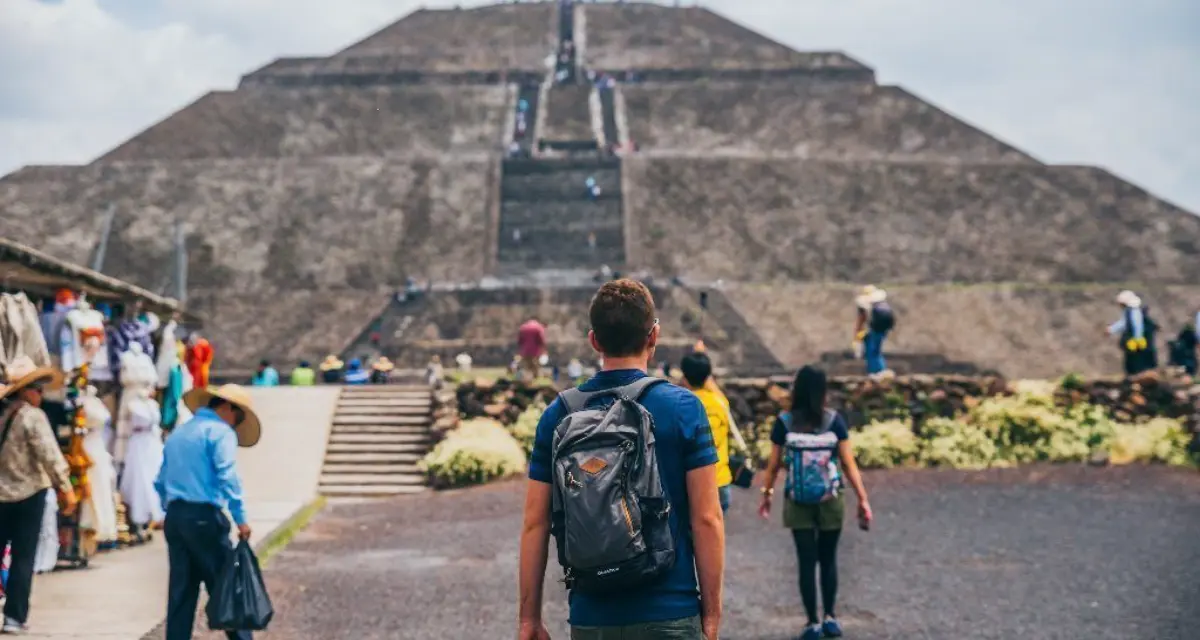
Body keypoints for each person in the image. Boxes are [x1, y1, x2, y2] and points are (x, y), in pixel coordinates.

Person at [518, 279, 725, 640]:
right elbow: (707, 518)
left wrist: (528, 619)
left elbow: (535, 523)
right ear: (654, 335)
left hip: (591, 615)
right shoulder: (683, 408)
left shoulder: (559, 414)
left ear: (594, 341)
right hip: (670, 612)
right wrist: (711, 612)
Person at [758, 366, 873, 640]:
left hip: (797, 502)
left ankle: (811, 623)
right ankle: (830, 617)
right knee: (829, 559)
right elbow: (847, 463)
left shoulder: (784, 423)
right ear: (823, 391)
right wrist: (862, 498)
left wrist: (767, 495)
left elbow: (773, 466)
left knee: (806, 562)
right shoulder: (834, 421)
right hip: (830, 499)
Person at [156, 384, 261, 640]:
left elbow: (160, 480)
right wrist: (241, 518)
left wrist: (170, 510)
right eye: (237, 417)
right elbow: (227, 475)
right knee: (225, 586)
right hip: (204, 517)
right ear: (226, 408)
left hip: (176, 517)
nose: (236, 424)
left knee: (181, 593)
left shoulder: (180, 433)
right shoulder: (220, 432)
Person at [0, 357, 77, 634]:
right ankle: (14, 616)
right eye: (37, 389)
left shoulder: (3, 414)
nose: (40, 394)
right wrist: (65, 486)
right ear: (26, 390)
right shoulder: (32, 417)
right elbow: (49, 455)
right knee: (23, 556)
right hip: (28, 494)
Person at [679, 351, 733, 512]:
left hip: (693, 484)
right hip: (720, 480)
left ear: (685, 377)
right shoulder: (720, 402)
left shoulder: (683, 405)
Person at [1108, 290, 1157, 376]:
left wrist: (1137, 339)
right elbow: (1124, 323)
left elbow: (1137, 325)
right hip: (1135, 341)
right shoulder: (1129, 311)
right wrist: (1111, 330)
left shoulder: (1134, 311)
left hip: (1136, 341)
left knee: (1136, 360)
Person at [853, 285, 893, 376]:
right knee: (876, 351)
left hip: (875, 329)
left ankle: (876, 371)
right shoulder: (882, 304)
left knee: (872, 351)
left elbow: (861, 320)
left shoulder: (865, 305)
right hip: (882, 329)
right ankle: (880, 370)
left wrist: (857, 336)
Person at [517, 317, 547, 381]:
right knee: (535, 367)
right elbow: (541, 340)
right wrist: (543, 350)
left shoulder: (523, 327)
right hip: (535, 352)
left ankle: (526, 381)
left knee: (526, 368)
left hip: (525, 352)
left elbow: (520, 341)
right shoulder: (538, 327)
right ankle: (537, 381)